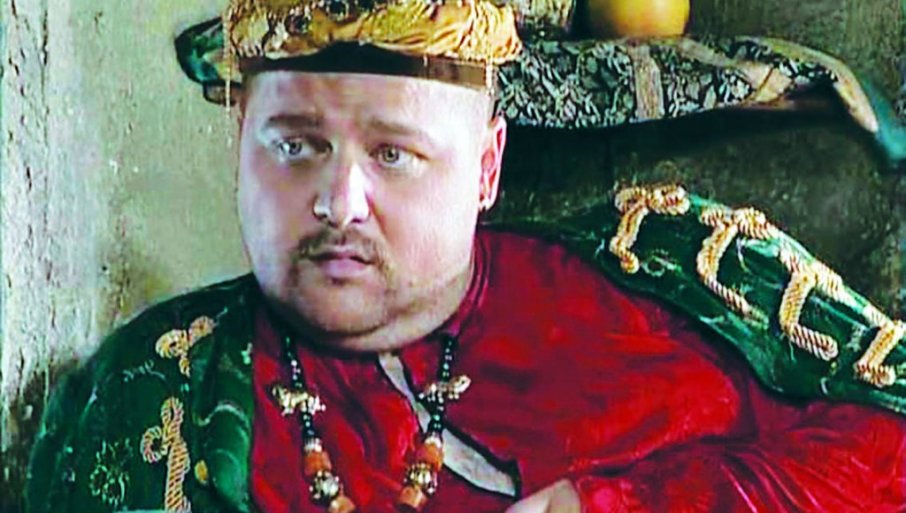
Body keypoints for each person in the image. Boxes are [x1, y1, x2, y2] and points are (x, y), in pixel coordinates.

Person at [27, 0, 906, 512]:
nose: (339, 202)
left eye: (393, 154)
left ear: (486, 167)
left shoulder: (678, 275)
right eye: (295, 146)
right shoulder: (151, 394)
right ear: (238, 147)